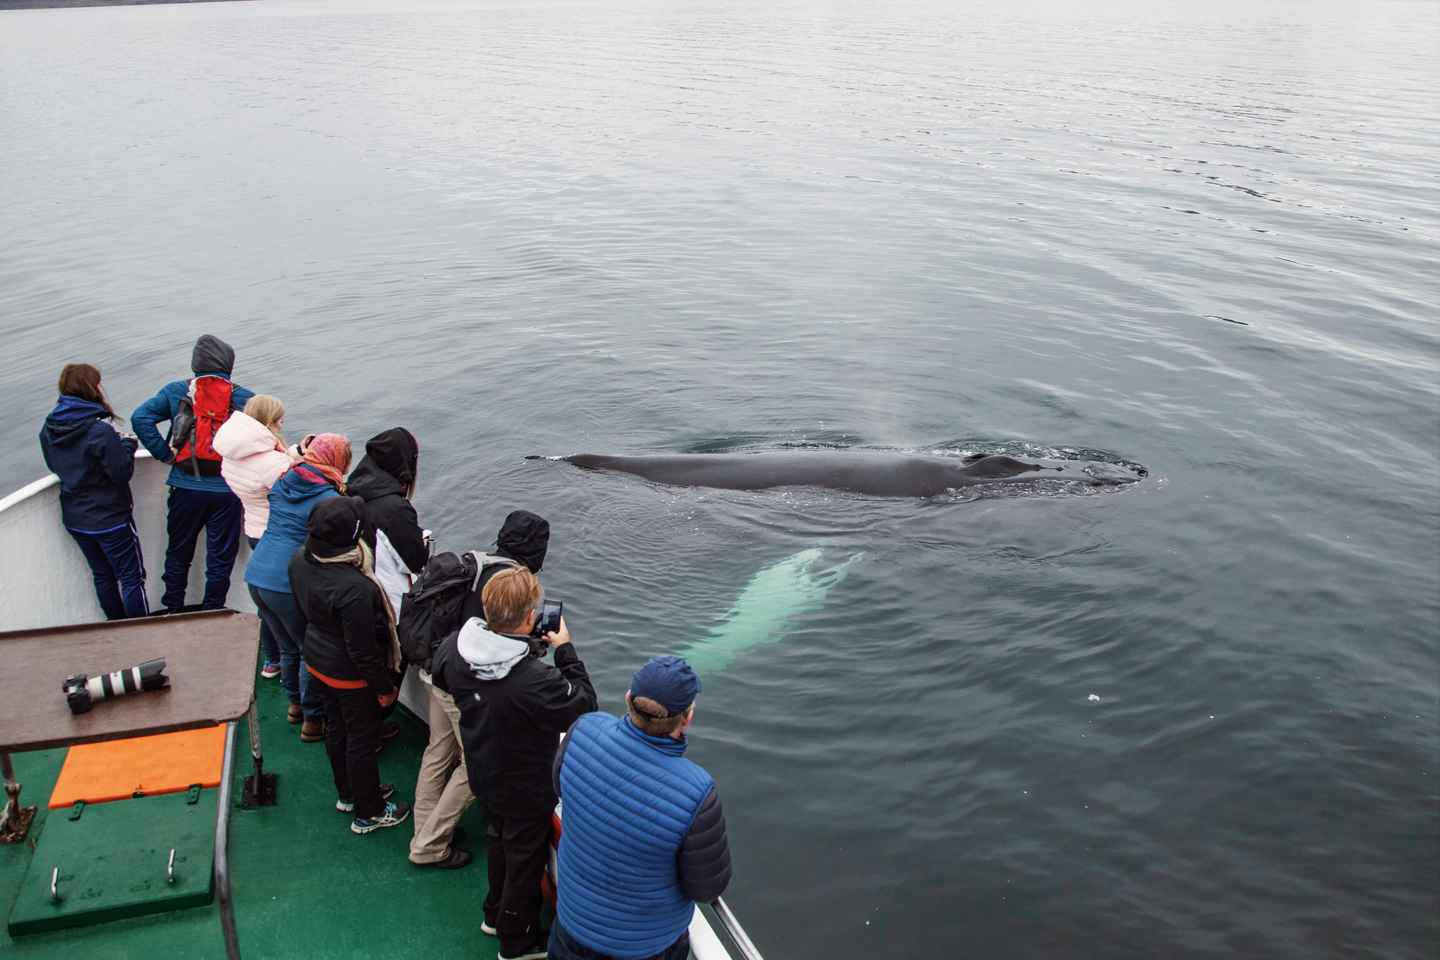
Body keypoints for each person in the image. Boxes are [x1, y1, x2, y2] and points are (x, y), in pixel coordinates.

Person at [432, 567, 597, 960]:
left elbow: (446, 677)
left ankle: (494, 913)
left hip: (483, 770)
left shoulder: (455, 646)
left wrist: (524, 647)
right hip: (524, 784)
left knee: (497, 839)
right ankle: (516, 940)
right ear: (528, 618)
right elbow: (583, 705)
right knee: (524, 858)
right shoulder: (533, 681)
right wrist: (565, 649)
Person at [548, 656, 731, 960]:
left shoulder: (583, 730)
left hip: (572, 928)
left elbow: (559, 788)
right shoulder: (696, 791)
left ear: (628, 699)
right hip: (645, 948)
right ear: (687, 718)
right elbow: (706, 887)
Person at [408, 509, 551, 871]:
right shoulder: (510, 586)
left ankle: (423, 825)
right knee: (476, 768)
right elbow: (494, 648)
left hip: (436, 670)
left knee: (438, 749)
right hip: (461, 686)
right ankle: (429, 844)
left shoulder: (475, 563)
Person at [289, 496, 411, 835]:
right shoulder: (354, 587)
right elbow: (363, 651)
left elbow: (301, 611)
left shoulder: (300, 559)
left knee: (336, 729)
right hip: (349, 676)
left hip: (317, 660)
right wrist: (384, 689)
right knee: (361, 738)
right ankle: (369, 811)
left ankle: (350, 794)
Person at [131, 335, 255, 611]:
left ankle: (173, 609)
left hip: (185, 487)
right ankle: (213, 610)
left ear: (195, 364)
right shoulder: (244, 397)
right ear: (228, 364)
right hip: (227, 491)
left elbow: (140, 418)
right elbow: (263, 436)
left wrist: (164, 454)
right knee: (220, 558)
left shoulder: (178, 391)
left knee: (178, 552)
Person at [245, 433, 350, 742]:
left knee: (286, 646)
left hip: (257, 574)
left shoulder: (283, 481)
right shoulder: (328, 499)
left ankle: (294, 705)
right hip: (286, 580)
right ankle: (313, 719)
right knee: (309, 650)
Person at [39, 364, 149, 620]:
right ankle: (143, 635)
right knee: (132, 578)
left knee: (103, 576)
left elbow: (55, 464)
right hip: (110, 518)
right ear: (92, 389)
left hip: (76, 518)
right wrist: (127, 445)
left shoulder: (49, 428)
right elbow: (121, 473)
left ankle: (115, 627)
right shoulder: (99, 431)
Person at [213, 394, 293, 679]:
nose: (283, 423)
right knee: (285, 606)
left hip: (254, 530)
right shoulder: (270, 461)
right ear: (269, 421)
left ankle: (270, 661)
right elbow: (288, 488)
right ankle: (289, 663)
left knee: (265, 604)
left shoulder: (234, 454)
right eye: (280, 418)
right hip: (278, 535)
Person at [347, 427, 428, 614]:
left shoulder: (351, 491)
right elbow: (415, 562)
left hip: (363, 590)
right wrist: (423, 542)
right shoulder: (395, 508)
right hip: (391, 601)